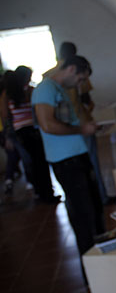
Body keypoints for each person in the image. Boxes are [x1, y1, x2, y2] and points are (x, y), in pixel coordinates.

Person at [31, 55, 105, 259]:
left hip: (75, 156)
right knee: (83, 215)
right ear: (71, 69)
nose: (80, 84)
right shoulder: (46, 89)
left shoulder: (57, 89)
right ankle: (91, 262)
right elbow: (47, 125)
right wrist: (82, 129)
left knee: (93, 209)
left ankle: (99, 258)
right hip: (67, 161)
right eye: (81, 79)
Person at [47, 41, 110, 204]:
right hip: (82, 124)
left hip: (64, 132)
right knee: (91, 164)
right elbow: (86, 99)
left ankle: (90, 201)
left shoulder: (49, 76)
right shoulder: (78, 71)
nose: (79, 82)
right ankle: (100, 198)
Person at [1, 66, 58, 203]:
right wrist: (8, 137)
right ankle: (42, 192)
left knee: (39, 162)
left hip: (32, 130)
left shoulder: (29, 91)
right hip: (23, 132)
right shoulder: (8, 94)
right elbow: (6, 117)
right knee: (34, 162)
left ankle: (46, 192)